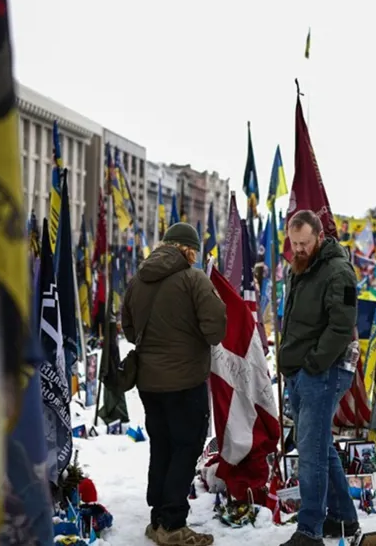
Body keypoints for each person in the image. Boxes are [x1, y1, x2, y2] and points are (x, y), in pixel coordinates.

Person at [122, 223, 226, 546]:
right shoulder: (194, 279)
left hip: (149, 385)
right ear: (190, 250)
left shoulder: (138, 280)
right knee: (185, 448)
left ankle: (157, 519)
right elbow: (216, 330)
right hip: (185, 383)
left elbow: (128, 330)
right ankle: (172, 522)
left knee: (162, 446)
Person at [277, 210, 360, 546]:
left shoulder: (338, 271)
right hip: (302, 370)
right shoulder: (300, 268)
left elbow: (341, 326)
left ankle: (309, 530)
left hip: (323, 371)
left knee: (310, 451)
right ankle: (342, 518)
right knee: (319, 446)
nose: (298, 248)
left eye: (304, 243)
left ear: (318, 238)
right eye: (294, 243)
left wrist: (314, 364)